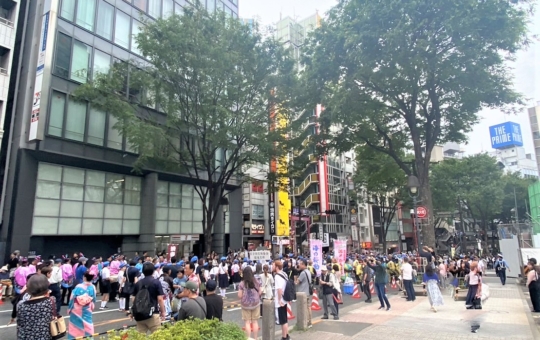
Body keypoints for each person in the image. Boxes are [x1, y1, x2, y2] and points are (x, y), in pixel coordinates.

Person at [131, 262, 167, 335]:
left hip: (140, 314)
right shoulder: (156, 282)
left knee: (140, 337)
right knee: (157, 336)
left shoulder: (138, 283)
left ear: (143, 271)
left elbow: (133, 299)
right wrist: (163, 312)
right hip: (153, 313)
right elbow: (160, 299)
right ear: (153, 271)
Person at [16, 274, 55, 340]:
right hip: (44, 335)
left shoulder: (21, 305)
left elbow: (20, 322)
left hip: (26, 336)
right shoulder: (51, 301)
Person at [68, 272, 97, 339]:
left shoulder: (78, 286)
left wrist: (70, 308)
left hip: (76, 308)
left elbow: (72, 298)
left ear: (84, 277)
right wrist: (92, 306)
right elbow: (94, 299)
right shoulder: (92, 287)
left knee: (74, 325)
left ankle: (74, 337)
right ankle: (88, 337)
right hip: (87, 308)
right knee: (88, 324)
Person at [238, 266, 261, 339]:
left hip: (246, 305)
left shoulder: (242, 283)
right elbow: (260, 292)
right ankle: (255, 338)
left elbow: (240, 295)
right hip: (255, 304)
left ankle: (248, 338)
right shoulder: (256, 281)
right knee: (255, 322)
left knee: (247, 322)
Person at [274, 260, 290, 340]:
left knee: (283, 320)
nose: (272, 267)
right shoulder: (284, 274)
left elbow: (279, 290)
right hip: (285, 299)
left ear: (276, 267)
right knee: (285, 319)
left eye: (273, 265)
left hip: (280, 301)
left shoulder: (277, 276)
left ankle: (284, 337)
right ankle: (286, 335)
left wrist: (279, 301)